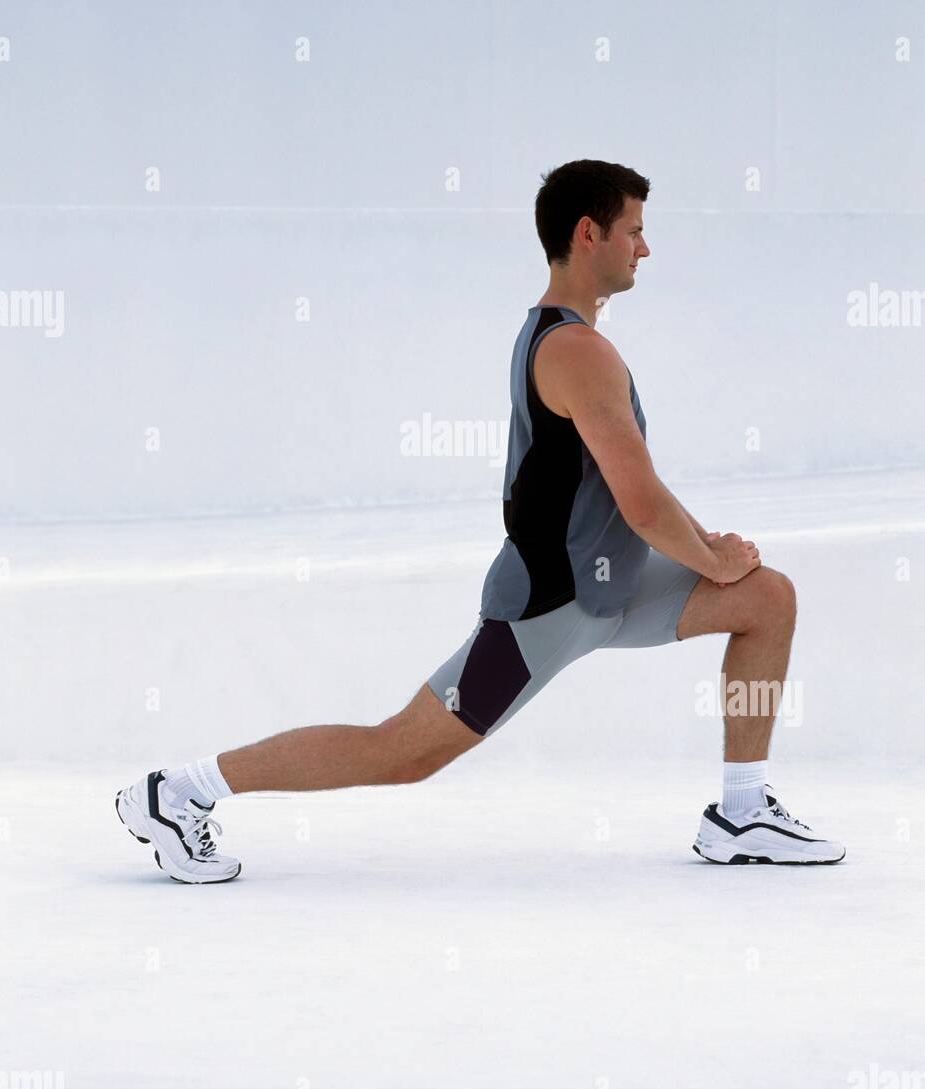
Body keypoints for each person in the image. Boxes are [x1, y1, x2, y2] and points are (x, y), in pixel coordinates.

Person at [116, 159, 845, 882]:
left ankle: (740, 813)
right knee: (400, 751)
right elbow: (641, 503)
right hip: (547, 608)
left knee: (765, 597)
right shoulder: (575, 351)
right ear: (589, 234)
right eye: (635, 232)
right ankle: (179, 791)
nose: (644, 249)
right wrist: (710, 562)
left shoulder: (562, 339)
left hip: (614, 592)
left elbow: (639, 481)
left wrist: (709, 549)